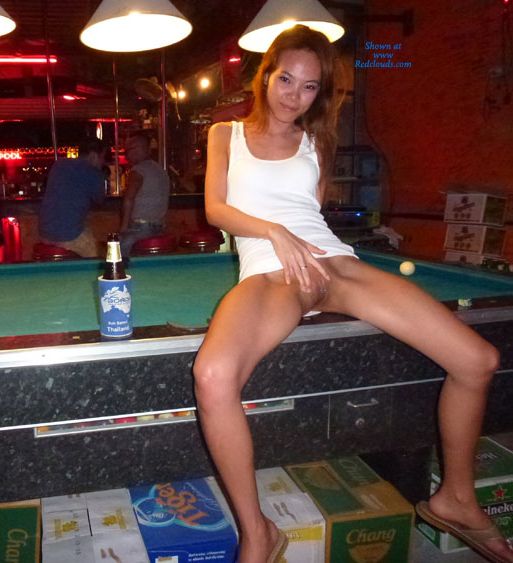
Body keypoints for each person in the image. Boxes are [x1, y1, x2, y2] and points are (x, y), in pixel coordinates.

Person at [193, 25, 512, 563]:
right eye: (286, 79)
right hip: (270, 270)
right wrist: (273, 232)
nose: (294, 95)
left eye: (309, 86)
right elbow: (216, 209)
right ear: (265, 76)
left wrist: (306, 243)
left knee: (478, 360)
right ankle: (258, 532)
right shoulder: (225, 134)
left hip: (336, 263)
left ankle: (456, 498)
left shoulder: (317, 142)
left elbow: (311, 210)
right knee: (212, 375)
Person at [38, 137, 107, 257]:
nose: (103, 162)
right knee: (103, 259)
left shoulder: (59, 164)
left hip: (44, 234)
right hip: (69, 235)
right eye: (102, 158)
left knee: (85, 231)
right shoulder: (94, 173)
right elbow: (100, 200)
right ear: (94, 155)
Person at [119, 133, 170, 256]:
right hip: (159, 228)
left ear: (136, 149)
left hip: (141, 229)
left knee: (115, 251)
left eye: (127, 151)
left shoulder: (138, 170)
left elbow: (129, 199)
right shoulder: (160, 170)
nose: (126, 157)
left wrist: (123, 228)